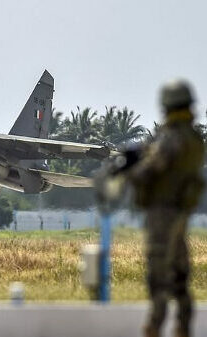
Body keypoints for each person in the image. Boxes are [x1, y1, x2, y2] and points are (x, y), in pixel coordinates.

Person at [124, 80, 204, 337]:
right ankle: (183, 325)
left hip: (163, 212)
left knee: (159, 271)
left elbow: (150, 170)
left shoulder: (173, 138)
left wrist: (130, 172)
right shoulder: (193, 138)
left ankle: (155, 326)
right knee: (180, 271)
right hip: (180, 211)